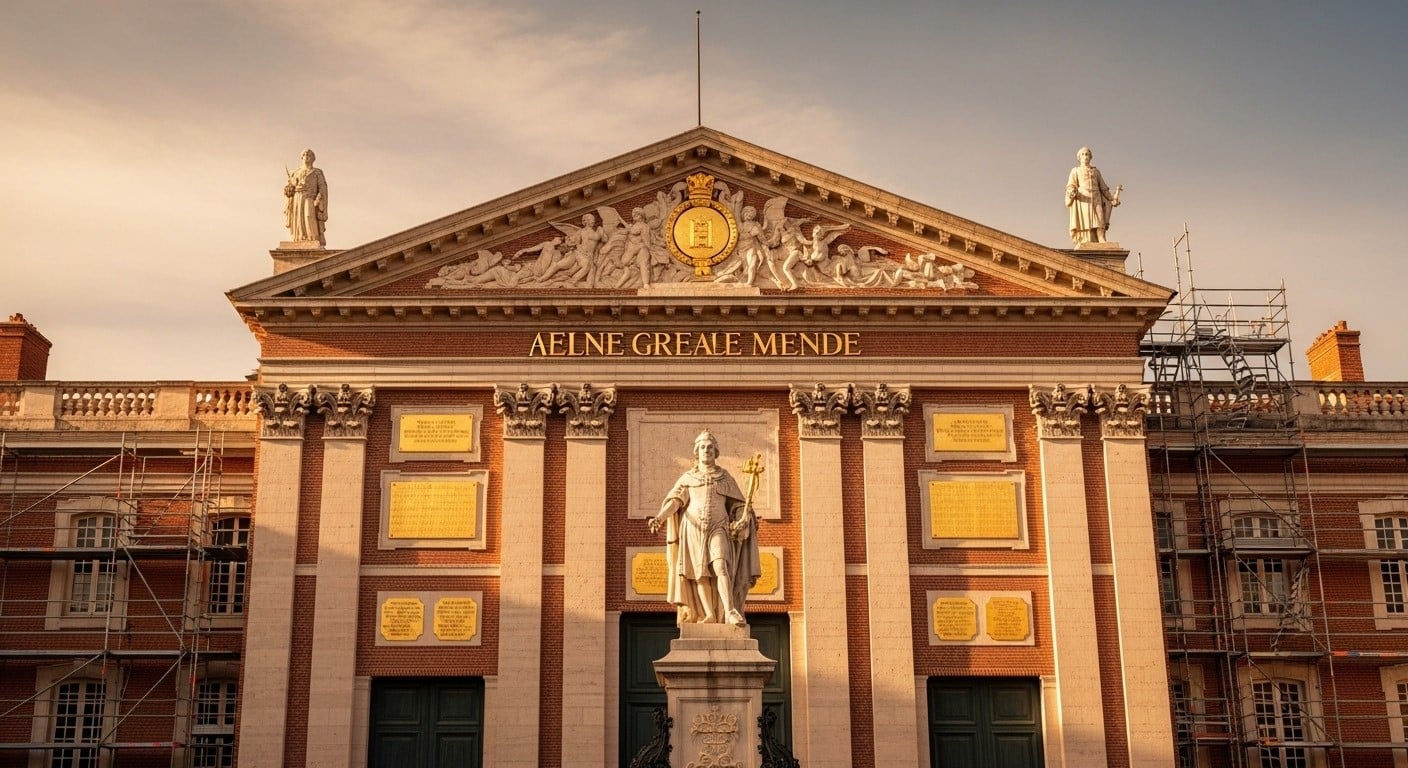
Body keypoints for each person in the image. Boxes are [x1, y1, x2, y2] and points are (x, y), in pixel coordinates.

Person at [648, 431, 760, 626]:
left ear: (716, 452)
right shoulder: (688, 477)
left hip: (719, 526)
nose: (706, 450)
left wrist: (743, 517)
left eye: (709, 447)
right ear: (696, 452)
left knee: (720, 565)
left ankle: (730, 611)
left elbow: (738, 505)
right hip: (693, 528)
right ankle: (708, 614)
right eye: (702, 447)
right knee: (699, 574)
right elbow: (675, 501)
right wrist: (660, 517)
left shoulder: (724, 477)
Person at [1065, 146, 1121, 245]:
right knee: (1086, 219)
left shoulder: (1096, 171)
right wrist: (1071, 191)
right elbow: (1071, 185)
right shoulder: (1076, 170)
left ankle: (1101, 237)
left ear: (1090, 157)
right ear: (1079, 158)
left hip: (1096, 196)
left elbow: (1103, 187)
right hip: (1083, 197)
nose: (1085, 156)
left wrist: (1111, 198)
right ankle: (1085, 239)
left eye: (1087, 154)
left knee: (1099, 218)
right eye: (1083, 154)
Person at [284, 149, 328, 245]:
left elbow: (322, 188)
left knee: (308, 215)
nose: (306, 156)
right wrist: (289, 189)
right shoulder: (295, 172)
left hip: (310, 197)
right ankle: (299, 237)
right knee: (299, 218)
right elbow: (289, 189)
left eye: (309, 155)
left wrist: (318, 199)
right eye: (304, 155)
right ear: (301, 158)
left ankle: (313, 238)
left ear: (313, 159)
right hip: (297, 197)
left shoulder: (317, 172)